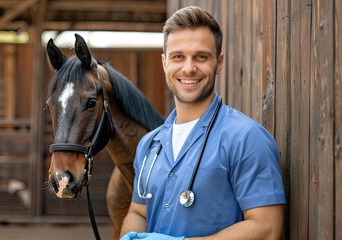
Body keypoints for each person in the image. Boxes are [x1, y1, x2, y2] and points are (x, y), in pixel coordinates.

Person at [119, 6, 286, 240]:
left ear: (218, 62)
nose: (189, 68)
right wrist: (129, 235)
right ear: (165, 63)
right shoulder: (149, 145)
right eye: (178, 57)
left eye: (201, 56)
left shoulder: (247, 138)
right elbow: (139, 212)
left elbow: (267, 229)